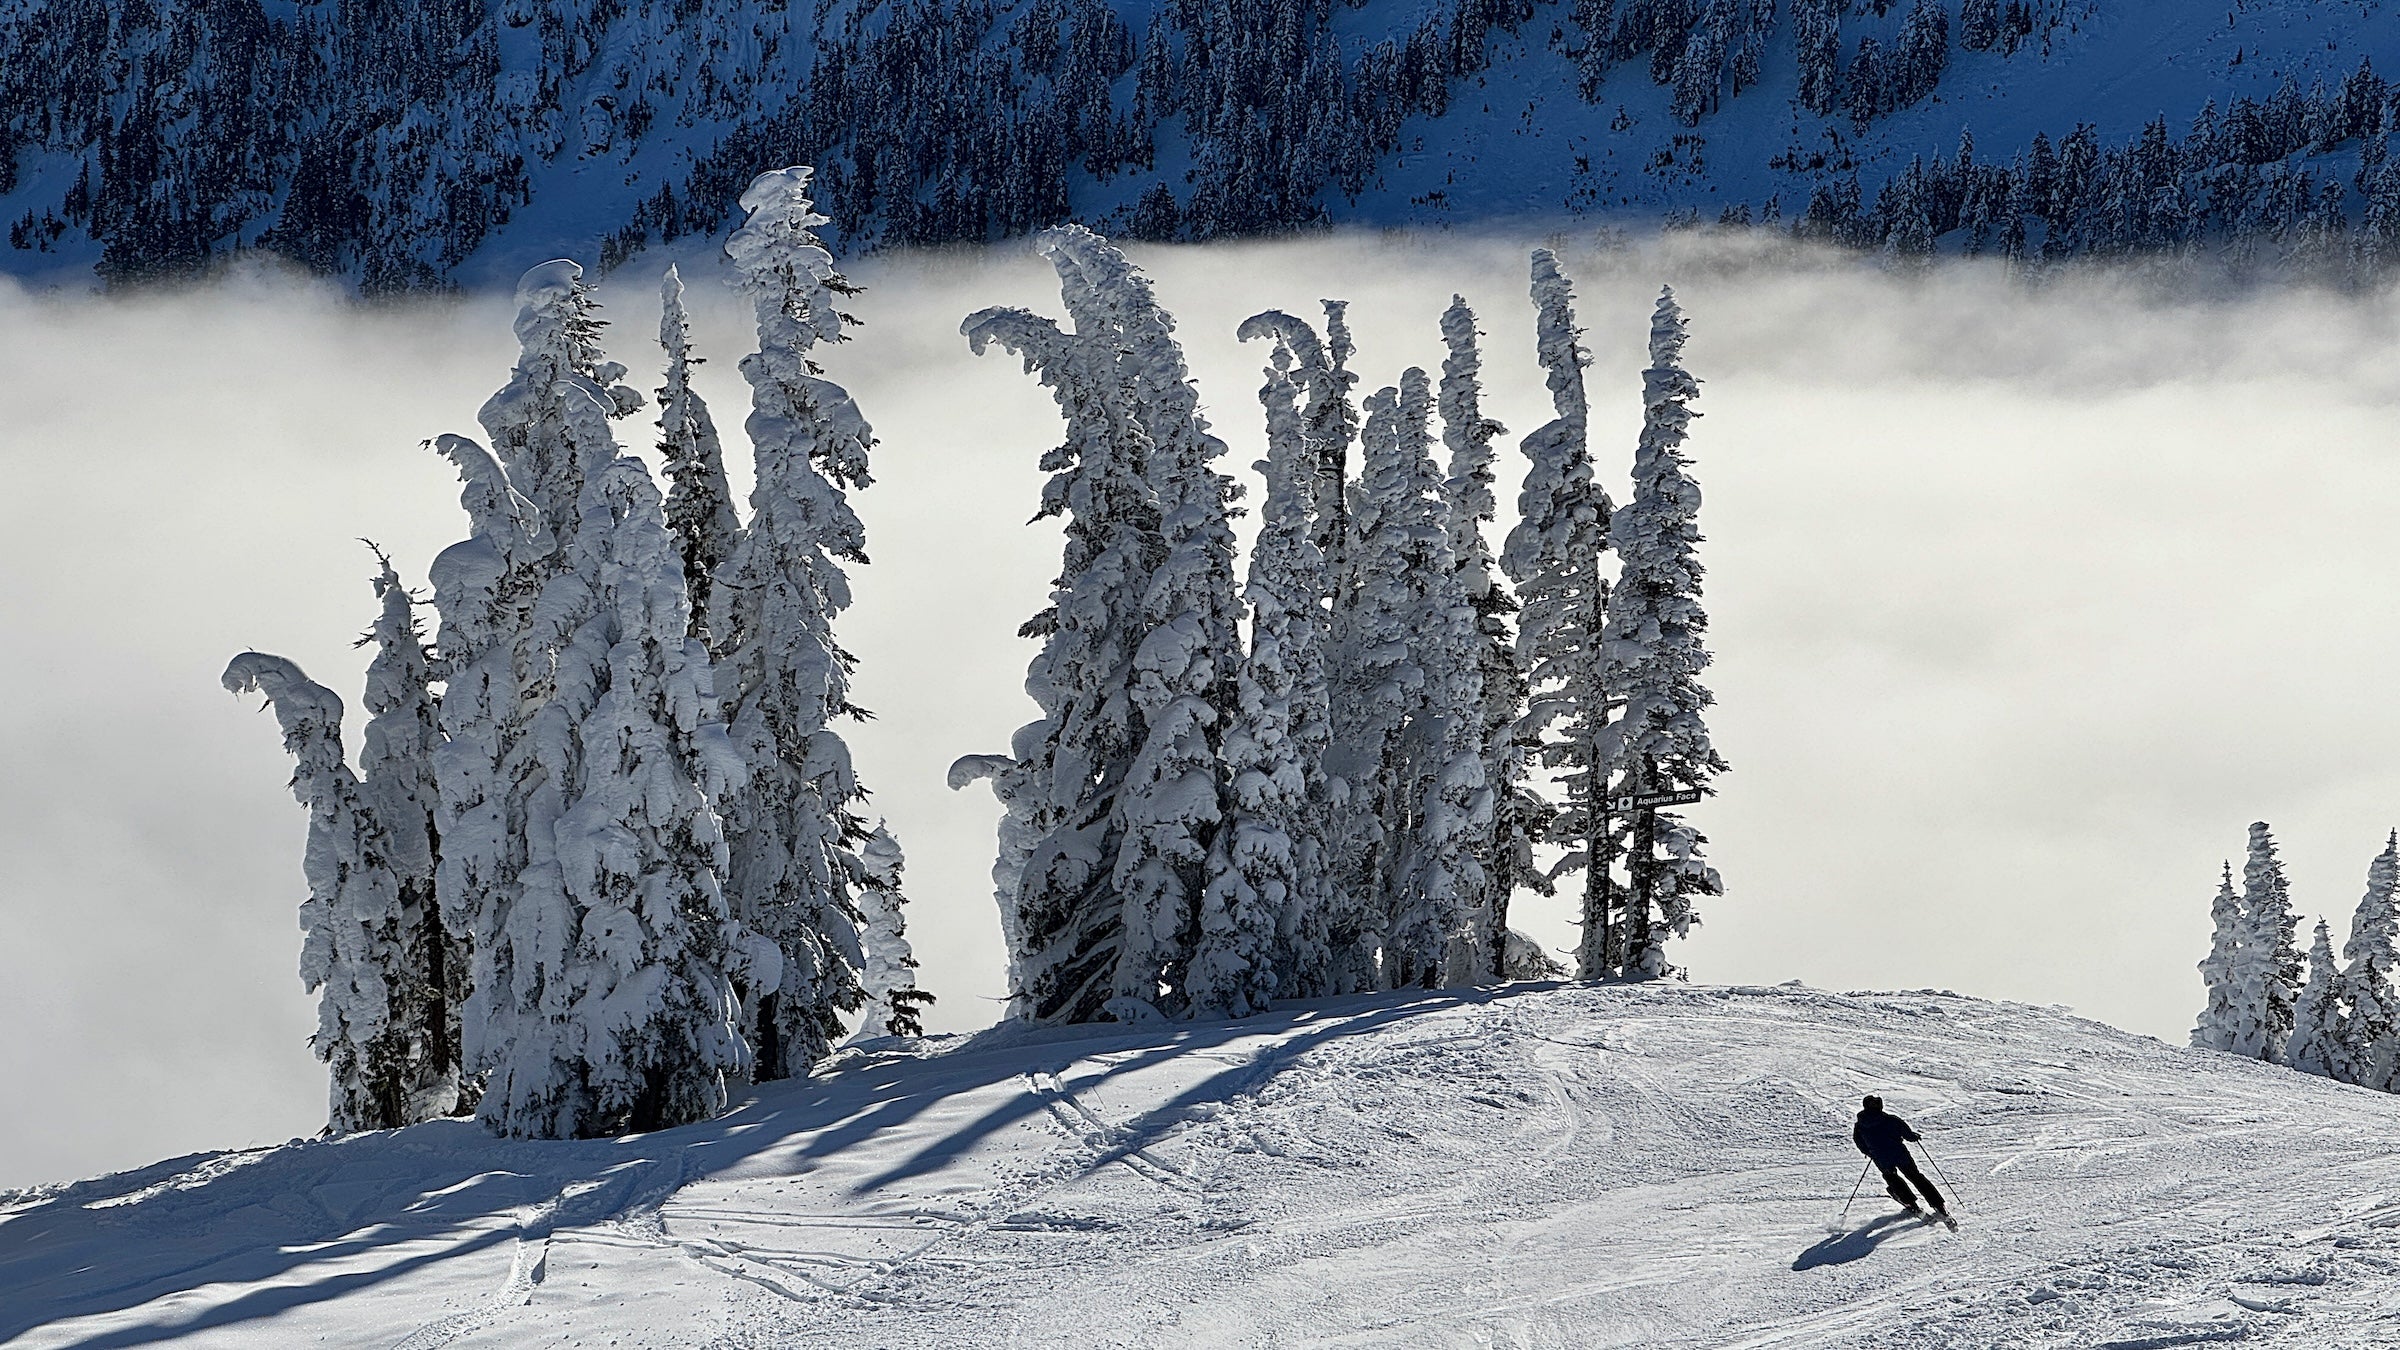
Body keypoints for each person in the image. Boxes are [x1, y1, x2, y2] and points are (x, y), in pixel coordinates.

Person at [1853, 1094, 1945, 1216]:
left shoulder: (1860, 1125)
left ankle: (1911, 1204)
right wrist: (1914, 1136)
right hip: (1900, 1154)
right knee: (1916, 1177)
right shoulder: (1891, 1119)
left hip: (1880, 1158)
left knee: (1892, 1178)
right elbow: (1908, 1135)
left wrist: (1870, 1152)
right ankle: (1938, 1205)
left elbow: (1859, 1142)